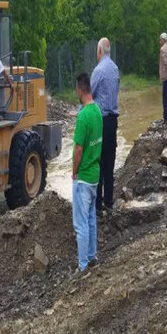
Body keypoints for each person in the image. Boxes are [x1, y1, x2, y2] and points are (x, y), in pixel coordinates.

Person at [72, 73, 103, 273]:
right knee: (91, 219)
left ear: (80, 90)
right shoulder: (98, 111)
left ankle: (83, 267)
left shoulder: (83, 116)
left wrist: (74, 172)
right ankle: (92, 258)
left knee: (81, 224)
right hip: (95, 175)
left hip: (83, 177)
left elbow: (78, 149)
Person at [90, 38, 119, 212]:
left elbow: (89, 97)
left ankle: (97, 205)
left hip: (100, 122)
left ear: (100, 51)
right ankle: (109, 202)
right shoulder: (115, 69)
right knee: (110, 162)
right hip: (112, 121)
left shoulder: (98, 70)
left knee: (98, 162)